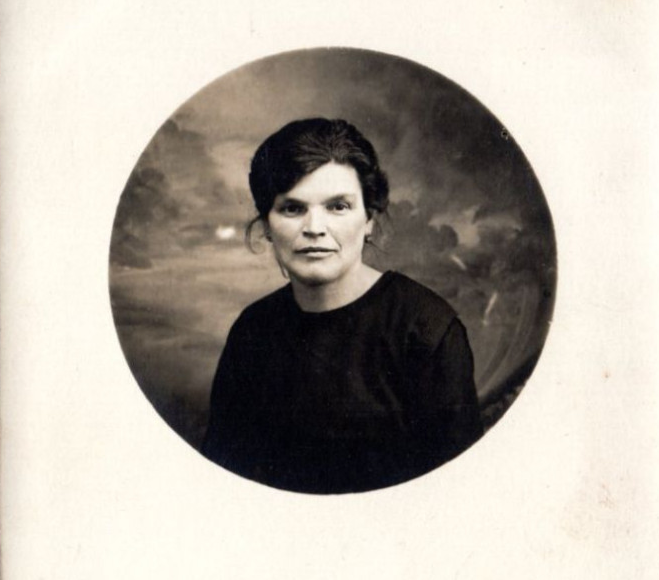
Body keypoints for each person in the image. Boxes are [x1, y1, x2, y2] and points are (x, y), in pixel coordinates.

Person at [202, 118, 482, 493]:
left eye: (338, 206)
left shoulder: (426, 331)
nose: (314, 227)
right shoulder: (253, 331)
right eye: (292, 208)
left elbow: (459, 495)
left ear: (369, 219)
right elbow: (221, 484)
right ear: (266, 225)